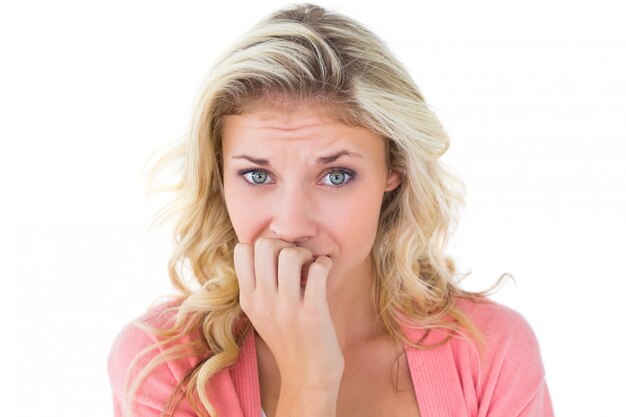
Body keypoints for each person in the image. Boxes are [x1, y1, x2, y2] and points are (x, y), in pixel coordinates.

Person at [108, 3, 553, 417]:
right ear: (219, 177)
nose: (292, 225)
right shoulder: (162, 366)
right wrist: (310, 382)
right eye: (257, 176)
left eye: (336, 175)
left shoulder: (490, 350)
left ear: (392, 171)